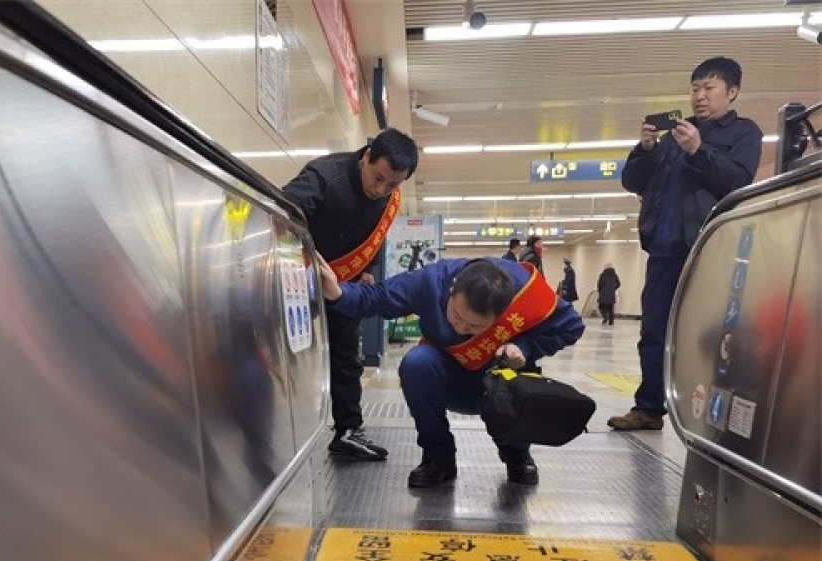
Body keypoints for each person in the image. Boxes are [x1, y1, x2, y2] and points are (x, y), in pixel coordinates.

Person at [316, 256, 584, 487]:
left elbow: (571, 327)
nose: (461, 328)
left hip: (498, 379)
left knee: (520, 377)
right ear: (453, 289)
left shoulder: (525, 293)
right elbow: (379, 297)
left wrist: (523, 344)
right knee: (416, 363)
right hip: (447, 377)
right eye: (456, 316)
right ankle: (438, 458)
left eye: (475, 327)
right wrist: (337, 293)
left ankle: (516, 453)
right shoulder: (431, 281)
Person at [608, 56, 762, 431]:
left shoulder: (744, 133)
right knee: (655, 330)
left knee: (714, 334)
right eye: (695, 88)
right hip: (664, 247)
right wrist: (644, 150)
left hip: (710, 249)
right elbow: (633, 182)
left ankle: (715, 411)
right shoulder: (675, 135)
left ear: (732, 92)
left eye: (709, 88)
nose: (700, 97)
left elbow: (737, 181)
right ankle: (648, 408)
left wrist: (699, 150)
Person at [282, 127, 419, 461]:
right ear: (367, 156)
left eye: (393, 185)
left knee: (347, 358)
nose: (381, 189)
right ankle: (270, 430)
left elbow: (374, 233)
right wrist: (309, 263)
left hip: (342, 285)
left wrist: (367, 267)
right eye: (378, 178)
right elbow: (281, 214)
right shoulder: (324, 176)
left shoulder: (388, 196)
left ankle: (348, 431)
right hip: (296, 281)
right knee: (282, 354)